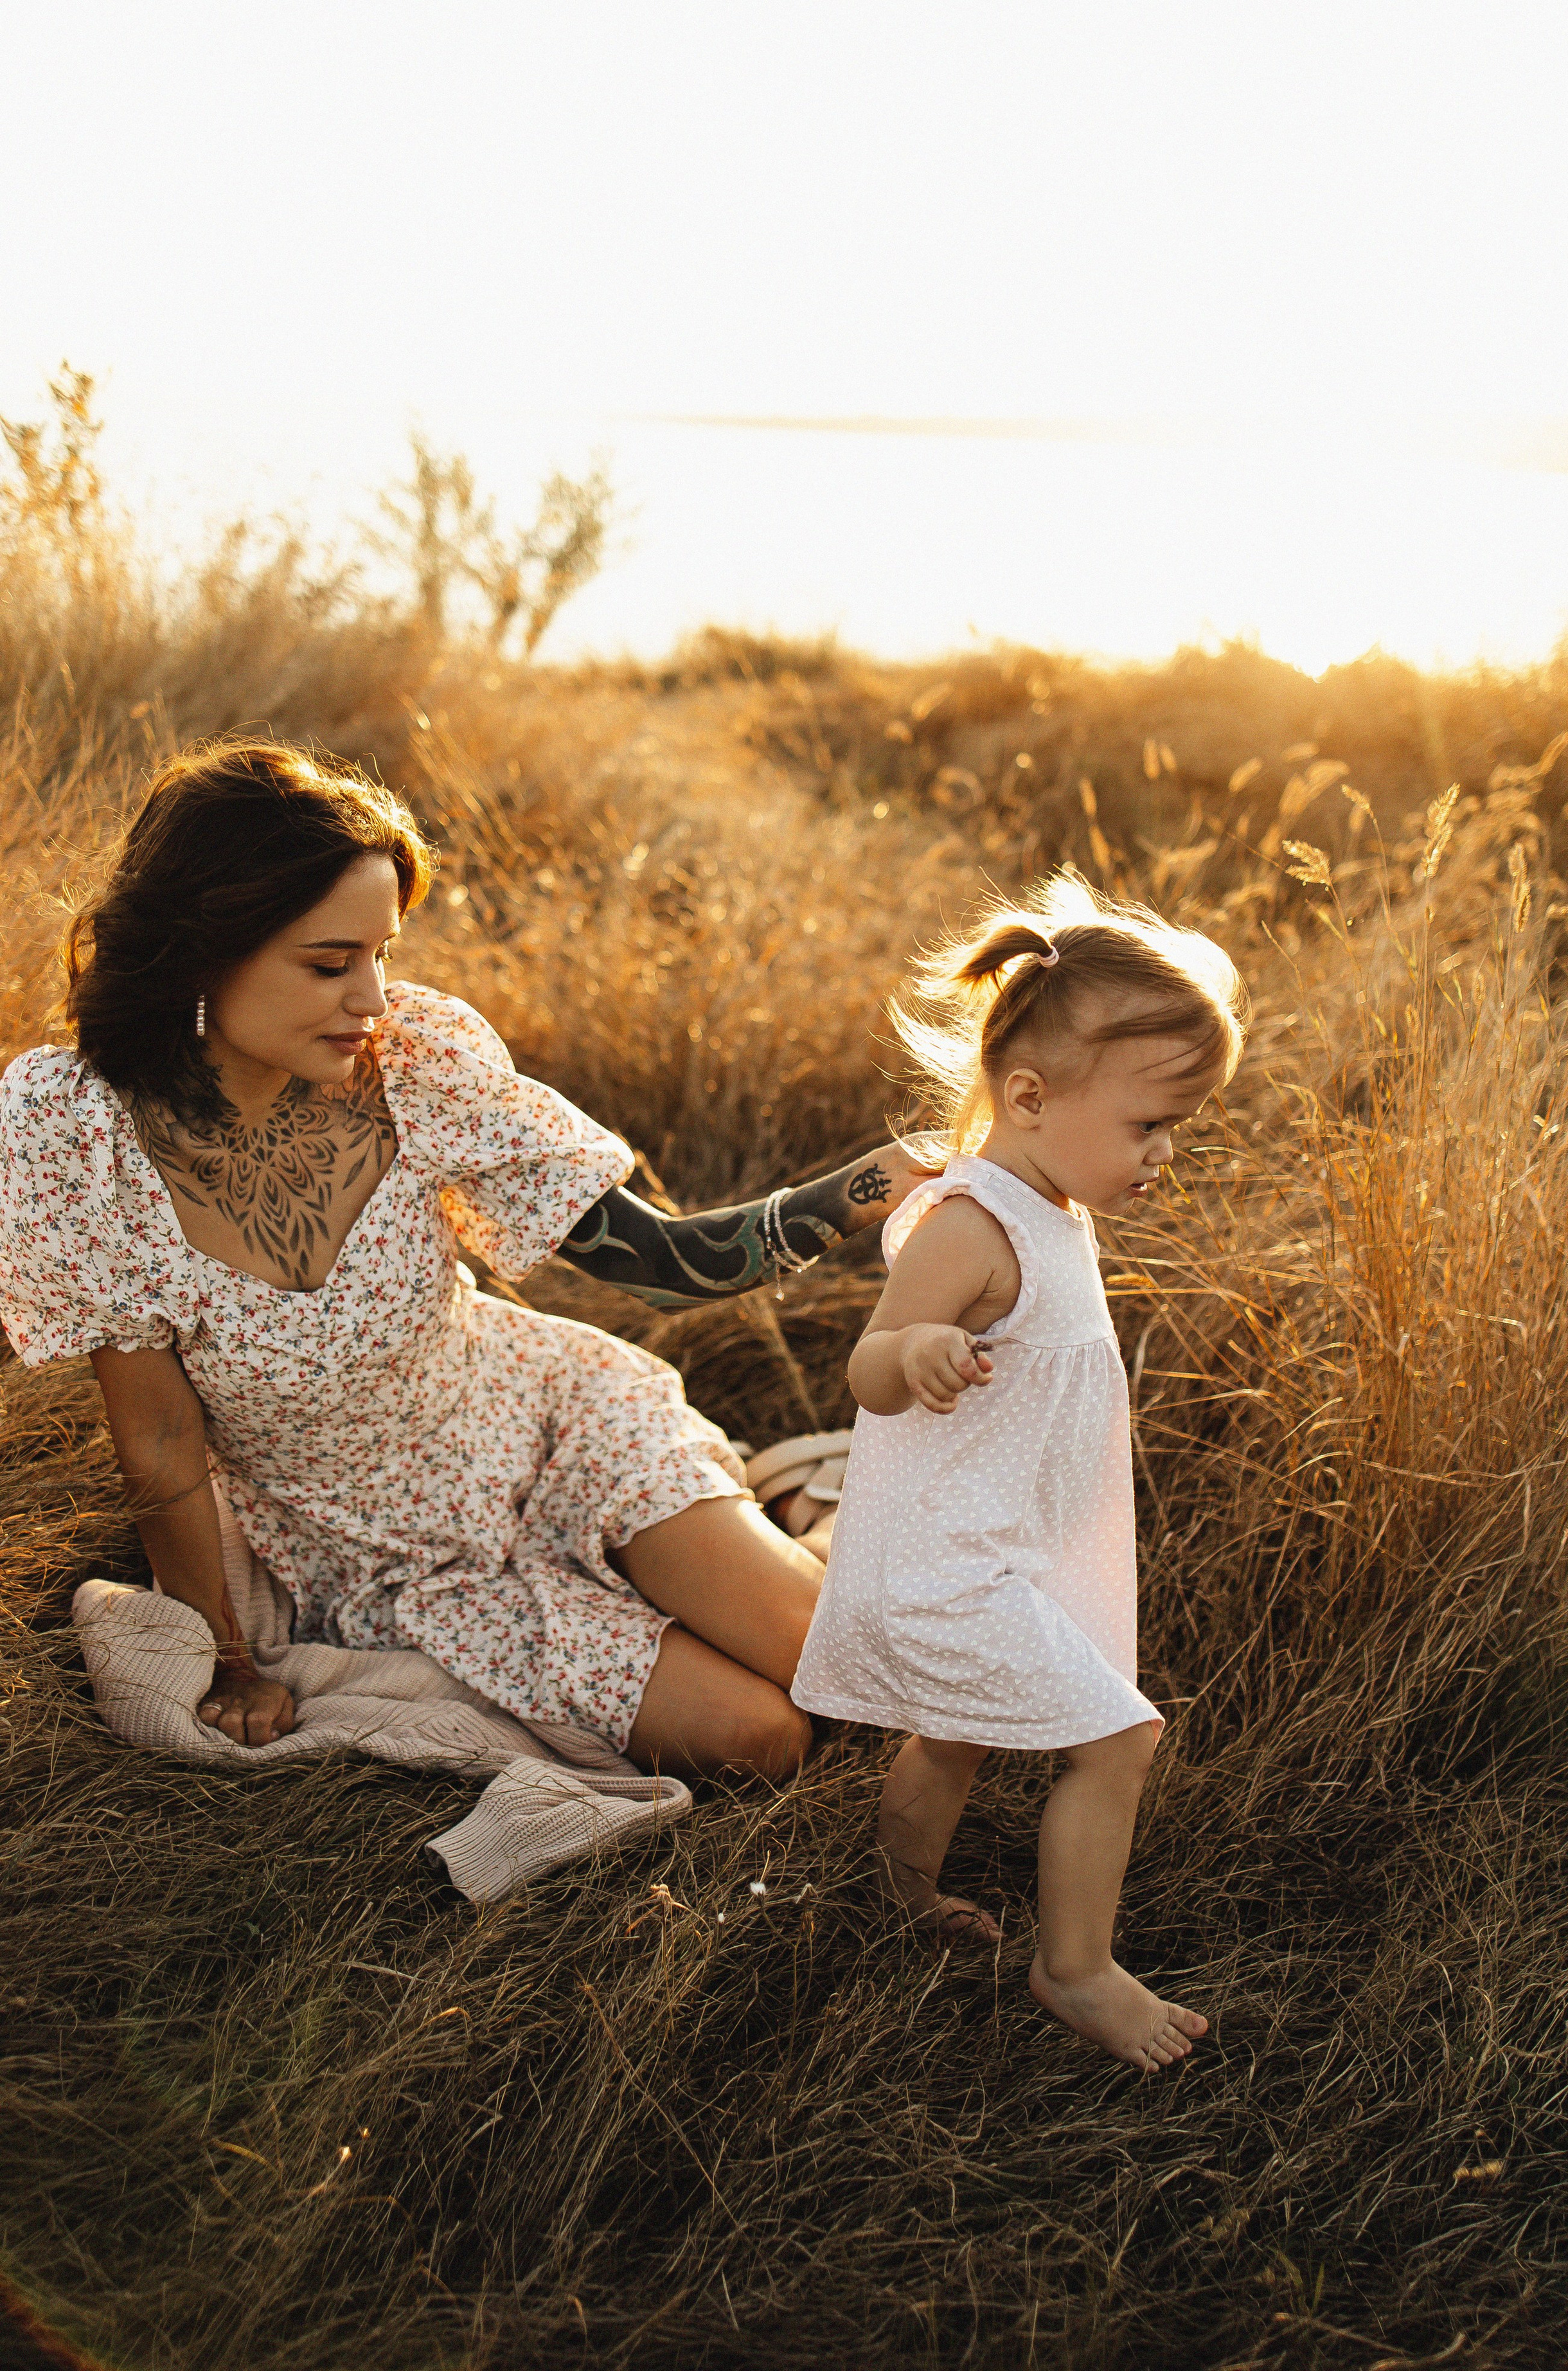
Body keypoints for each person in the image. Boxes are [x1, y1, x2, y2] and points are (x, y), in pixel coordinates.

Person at [0, 738, 925, 1775]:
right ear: (203, 950)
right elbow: (162, 1444)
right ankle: (772, 1512)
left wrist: (866, 1189)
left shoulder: (418, 1062)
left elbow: (658, 1259)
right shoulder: (69, 1135)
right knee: (766, 1740)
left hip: (549, 1424)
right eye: (329, 963)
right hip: (386, 1550)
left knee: (839, 1664)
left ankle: (789, 1506)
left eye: (383, 952)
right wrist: (229, 1659)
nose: (374, 999)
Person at [792, 868, 1249, 2070]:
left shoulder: (1052, 1199)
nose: (1164, 1154)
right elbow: (868, 1366)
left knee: (953, 1737)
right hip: (945, 1563)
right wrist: (923, 1349)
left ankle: (892, 1902)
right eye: (1150, 1126)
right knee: (1119, 1739)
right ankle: (1076, 1969)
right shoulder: (972, 1223)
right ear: (1034, 1096)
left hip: (995, 1544)